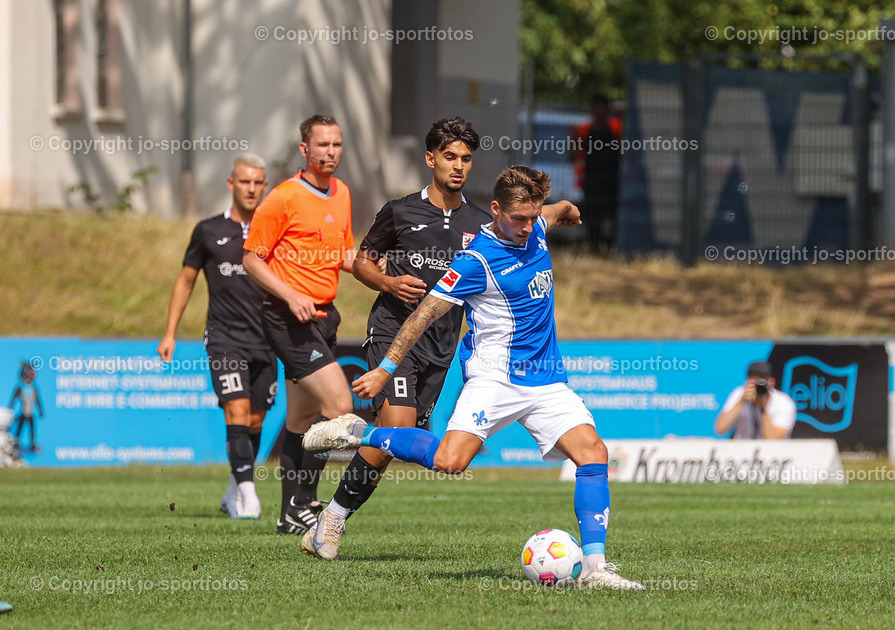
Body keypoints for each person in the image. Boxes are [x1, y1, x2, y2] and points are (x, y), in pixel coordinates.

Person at [302, 166, 644, 590]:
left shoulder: (536, 222)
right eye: (517, 218)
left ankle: (596, 569)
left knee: (593, 453)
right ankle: (360, 432)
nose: (525, 227)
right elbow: (422, 315)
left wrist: (568, 209)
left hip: (546, 379)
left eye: (531, 217)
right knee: (450, 460)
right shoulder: (474, 260)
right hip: (494, 378)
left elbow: (555, 212)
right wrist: (384, 369)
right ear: (496, 209)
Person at [307, 116, 490, 528]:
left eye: (465, 158)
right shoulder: (401, 211)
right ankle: (332, 521)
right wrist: (389, 282)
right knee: (399, 424)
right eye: (449, 156)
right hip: (393, 333)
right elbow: (361, 263)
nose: (458, 165)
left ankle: (330, 519)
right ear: (430, 159)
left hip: (441, 345)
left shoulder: (480, 227)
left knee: (394, 441)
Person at [242, 114, 356, 535]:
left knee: (301, 418)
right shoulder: (282, 198)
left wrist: (381, 272)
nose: (331, 152)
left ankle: (291, 511)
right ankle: (306, 501)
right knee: (339, 406)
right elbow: (251, 258)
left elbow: (344, 254)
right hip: (287, 318)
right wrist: (290, 294)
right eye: (323, 145)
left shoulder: (342, 193)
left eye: (337, 145)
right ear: (304, 149)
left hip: (324, 316)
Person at [157, 155, 275, 520]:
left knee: (255, 421)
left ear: (265, 186)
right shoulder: (208, 231)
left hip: (269, 340)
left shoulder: (275, 231)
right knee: (236, 411)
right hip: (225, 339)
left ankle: (233, 490)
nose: (252, 189)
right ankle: (250, 496)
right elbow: (186, 280)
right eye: (245, 182)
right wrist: (170, 333)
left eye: (258, 183)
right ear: (231, 184)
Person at [574, 93, 622, 252]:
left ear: (607, 109)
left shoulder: (616, 128)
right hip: (592, 180)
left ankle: (611, 245)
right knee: (593, 215)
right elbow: (573, 156)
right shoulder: (584, 130)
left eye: (603, 108)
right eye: (596, 108)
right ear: (592, 110)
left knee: (612, 214)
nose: (599, 112)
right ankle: (594, 246)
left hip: (612, 180)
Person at [714, 361, 797, 440]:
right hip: (741, 451)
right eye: (751, 377)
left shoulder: (783, 402)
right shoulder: (739, 393)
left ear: (772, 382)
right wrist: (741, 401)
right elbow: (720, 429)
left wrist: (763, 408)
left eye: (760, 379)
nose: (755, 383)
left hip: (770, 453)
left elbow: (773, 439)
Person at [9, 361, 43, 453]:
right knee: (19, 428)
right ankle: (15, 443)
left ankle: (32, 444)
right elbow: (14, 399)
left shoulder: (34, 389)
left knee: (32, 430)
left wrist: (40, 411)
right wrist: (10, 409)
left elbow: (37, 401)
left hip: (30, 414)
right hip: (23, 414)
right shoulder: (20, 388)